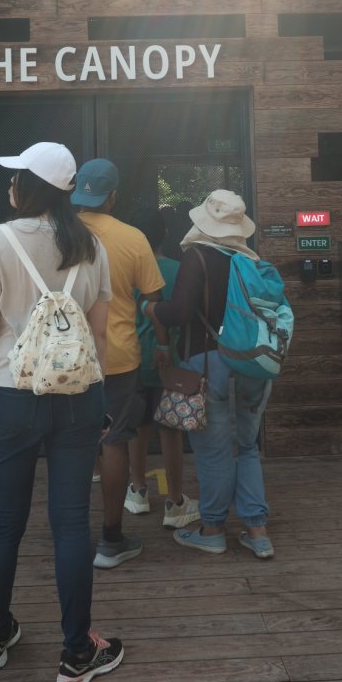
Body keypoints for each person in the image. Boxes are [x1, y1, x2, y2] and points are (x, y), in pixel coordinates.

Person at [0, 142, 124, 682]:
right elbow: (98, 333)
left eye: (14, 178)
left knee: (4, 520)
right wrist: (97, 399)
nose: (8, 186)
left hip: (12, 393)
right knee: (70, 524)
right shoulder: (90, 244)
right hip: (79, 396)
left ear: (26, 187)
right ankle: (77, 652)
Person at [145, 190, 275, 559]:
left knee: (213, 453)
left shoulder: (197, 258)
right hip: (253, 365)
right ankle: (257, 531)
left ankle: (213, 529)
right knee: (247, 447)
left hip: (209, 365)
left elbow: (180, 311)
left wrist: (152, 308)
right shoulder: (250, 261)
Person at [71, 159, 166, 569]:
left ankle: (70, 533)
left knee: (68, 444)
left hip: (64, 357)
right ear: (113, 196)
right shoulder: (133, 238)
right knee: (114, 442)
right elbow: (154, 298)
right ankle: (111, 538)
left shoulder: (58, 233)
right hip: (118, 356)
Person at [124, 207, 200, 530]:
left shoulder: (126, 271)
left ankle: (138, 491)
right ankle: (176, 501)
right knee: (171, 428)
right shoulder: (177, 269)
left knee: (136, 428)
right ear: (165, 234)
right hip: (172, 361)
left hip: (133, 358)